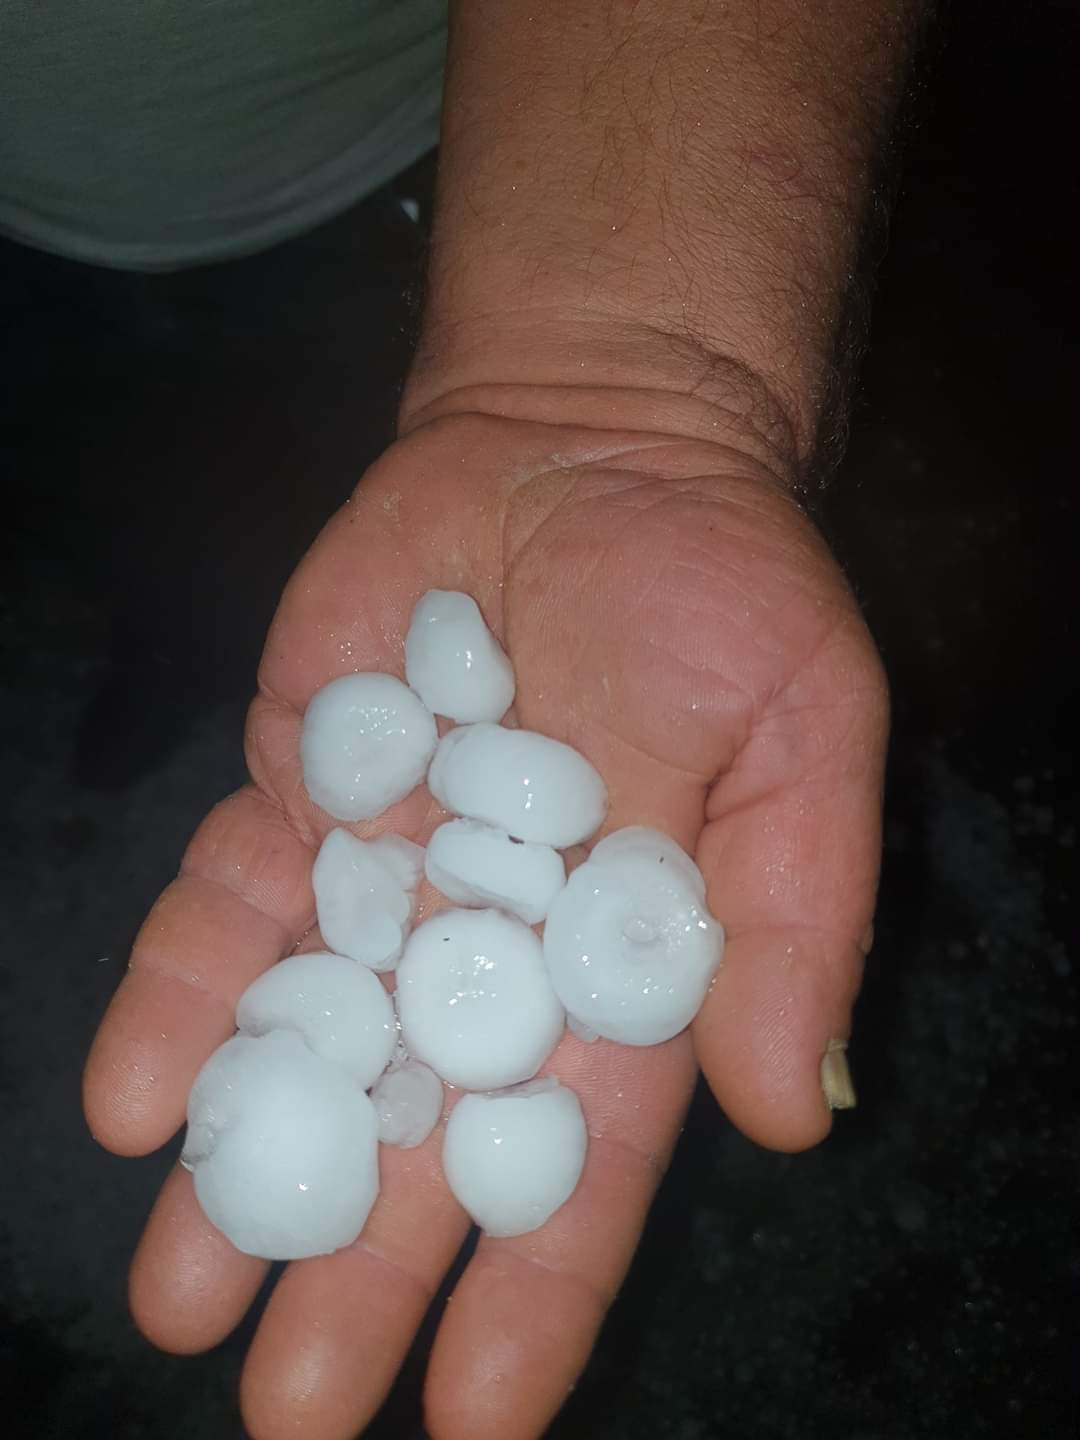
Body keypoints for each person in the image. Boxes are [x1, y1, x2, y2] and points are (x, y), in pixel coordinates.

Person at [45, 0, 926, 1434]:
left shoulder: (460, 900)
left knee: (233, 430)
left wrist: (628, 367)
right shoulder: (428, 892)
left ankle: (164, 646)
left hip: (377, 153)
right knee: (153, 475)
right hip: (49, 215)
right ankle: (155, 652)